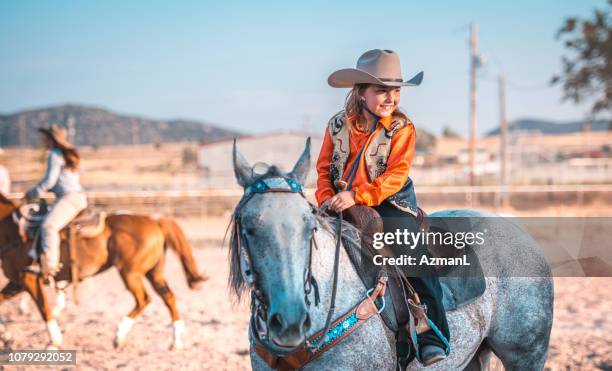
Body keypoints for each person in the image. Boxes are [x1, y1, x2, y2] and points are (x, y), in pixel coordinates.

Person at [315, 49, 450, 366]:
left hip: (390, 203)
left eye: (396, 90)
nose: (391, 98)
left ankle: (432, 334)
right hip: (338, 200)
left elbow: (395, 175)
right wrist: (324, 198)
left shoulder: (402, 129)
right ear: (360, 92)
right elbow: (323, 169)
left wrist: (358, 196)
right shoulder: (337, 125)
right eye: (381, 90)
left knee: (413, 258)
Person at [24, 124, 87, 275]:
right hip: (75, 197)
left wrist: (32, 193)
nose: (43, 141)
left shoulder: (55, 154)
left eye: (45, 138)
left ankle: (50, 266)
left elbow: (49, 181)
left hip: (69, 198)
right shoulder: (67, 154)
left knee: (48, 226)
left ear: (51, 139)